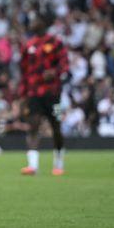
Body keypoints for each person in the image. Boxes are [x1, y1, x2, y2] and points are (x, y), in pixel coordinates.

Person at [17, 15, 69, 175]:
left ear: (43, 23)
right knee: (33, 126)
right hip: (33, 93)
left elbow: (64, 64)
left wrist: (54, 72)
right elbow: (24, 71)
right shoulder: (28, 45)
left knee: (56, 127)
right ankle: (33, 166)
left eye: (35, 20)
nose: (32, 23)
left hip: (53, 93)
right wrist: (23, 95)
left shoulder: (56, 42)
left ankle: (58, 163)